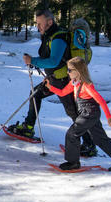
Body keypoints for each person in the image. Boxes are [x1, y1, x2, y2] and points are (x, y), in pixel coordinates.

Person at [8, 9, 96, 157]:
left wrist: (33, 61)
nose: (38, 27)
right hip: (54, 79)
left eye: (40, 23)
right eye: (37, 24)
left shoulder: (58, 38)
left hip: (63, 81)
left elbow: (54, 60)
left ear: (50, 22)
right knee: (35, 94)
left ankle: (89, 145)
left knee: (73, 112)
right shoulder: (50, 35)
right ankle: (28, 127)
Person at [45, 56, 111, 172]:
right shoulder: (74, 83)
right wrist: (50, 87)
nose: (67, 72)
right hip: (87, 113)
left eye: (70, 70)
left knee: (72, 134)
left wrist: (109, 118)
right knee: (99, 139)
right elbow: (63, 92)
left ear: (78, 71)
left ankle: (73, 162)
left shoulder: (86, 85)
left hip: (89, 114)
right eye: (67, 69)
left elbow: (101, 100)